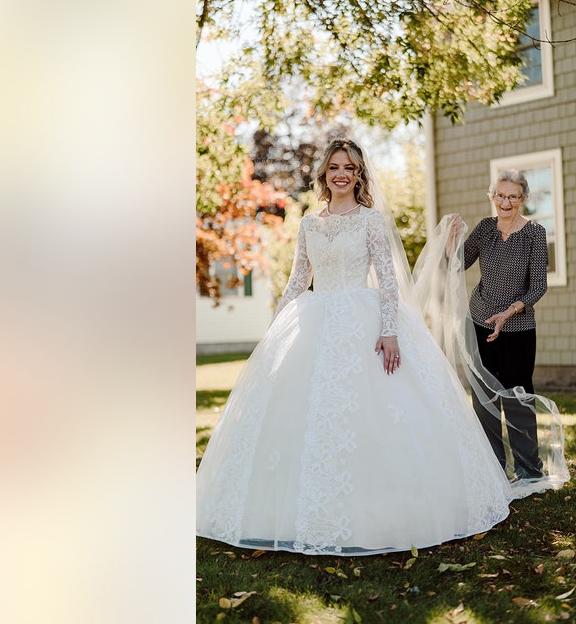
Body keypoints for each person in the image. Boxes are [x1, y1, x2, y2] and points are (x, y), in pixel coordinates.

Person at [195, 138, 513, 556]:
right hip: (314, 319)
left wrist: (389, 331)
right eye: (334, 168)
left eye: (349, 167)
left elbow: (385, 278)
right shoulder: (310, 224)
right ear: (325, 174)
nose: (342, 174)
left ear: (359, 174)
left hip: (363, 321)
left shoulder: (371, 221)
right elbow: (297, 279)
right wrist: (276, 329)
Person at [450, 170, 548, 481]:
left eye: (513, 196)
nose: (506, 202)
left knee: (517, 397)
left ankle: (528, 469)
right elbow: (457, 264)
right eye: (500, 195)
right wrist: (452, 239)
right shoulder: (484, 229)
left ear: (523, 199)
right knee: (484, 397)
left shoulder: (535, 234)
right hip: (480, 321)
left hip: (518, 328)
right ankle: (494, 467)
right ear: (493, 197)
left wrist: (509, 313)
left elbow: (538, 286)